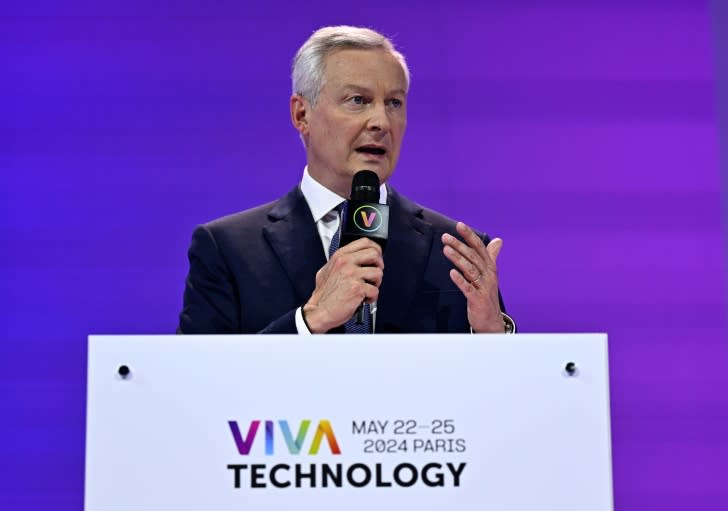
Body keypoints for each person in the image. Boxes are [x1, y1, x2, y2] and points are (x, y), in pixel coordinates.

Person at [178, 25, 514, 334]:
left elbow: (507, 387)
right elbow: (194, 382)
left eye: (394, 102)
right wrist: (309, 321)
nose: (381, 121)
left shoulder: (458, 252)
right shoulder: (226, 249)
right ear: (301, 114)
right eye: (358, 100)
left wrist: (493, 336)